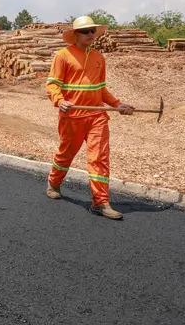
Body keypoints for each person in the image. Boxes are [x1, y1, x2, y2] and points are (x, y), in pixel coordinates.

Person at [45, 16, 134, 220]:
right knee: (66, 154)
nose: (90, 35)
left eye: (93, 31)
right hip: (72, 116)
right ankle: (54, 182)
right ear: (75, 34)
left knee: (99, 159)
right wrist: (60, 101)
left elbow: (100, 89)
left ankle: (100, 202)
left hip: (97, 116)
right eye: (86, 31)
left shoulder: (98, 58)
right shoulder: (63, 56)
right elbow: (52, 84)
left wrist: (117, 105)